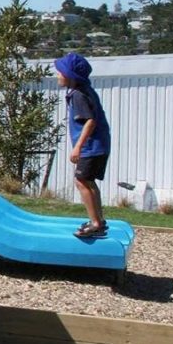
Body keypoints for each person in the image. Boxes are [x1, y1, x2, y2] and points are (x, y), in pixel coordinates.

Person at [55, 52, 111, 238]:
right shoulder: (85, 90)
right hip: (99, 144)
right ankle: (98, 221)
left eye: (60, 73)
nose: (58, 76)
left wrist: (78, 147)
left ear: (71, 76)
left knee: (81, 182)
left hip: (90, 146)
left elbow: (90, 121)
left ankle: (95, 223)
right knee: (89, 182)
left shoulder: (78, 95)